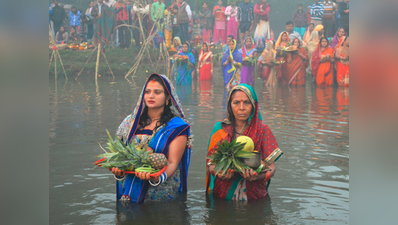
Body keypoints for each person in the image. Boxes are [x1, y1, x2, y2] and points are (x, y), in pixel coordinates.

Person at [112, 73, 192, 203]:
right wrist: (118, 172)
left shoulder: (176, 126)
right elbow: (122, 154)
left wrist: (156, 178)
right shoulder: (131, 123)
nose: (151, 96)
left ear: (167, 98)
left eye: (157, 92)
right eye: (147, 92)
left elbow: (172, 162)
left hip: (160, 193)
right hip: (130, 192)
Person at [206, 84, 282, 200]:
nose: (241, 107)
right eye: (236, 103)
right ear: (229, 105)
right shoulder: (220, 128)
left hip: (254, 197)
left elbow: (271, 168)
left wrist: (258, 176)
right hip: (222, 195)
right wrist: (220, 173)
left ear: (254, 105)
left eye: (247, 103)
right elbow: (211, 163)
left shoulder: (262, 130)